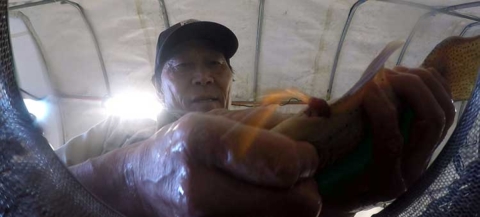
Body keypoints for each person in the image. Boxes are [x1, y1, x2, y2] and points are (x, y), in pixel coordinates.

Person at [55, 19, 455, 217]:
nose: (204, 75)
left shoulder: (273, 119)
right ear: (157, 86)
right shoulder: (115, 132)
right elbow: (18, 186)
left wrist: (340, 198)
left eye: (215, 63)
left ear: (231, 78)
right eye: (181, 66)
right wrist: (128, 177)